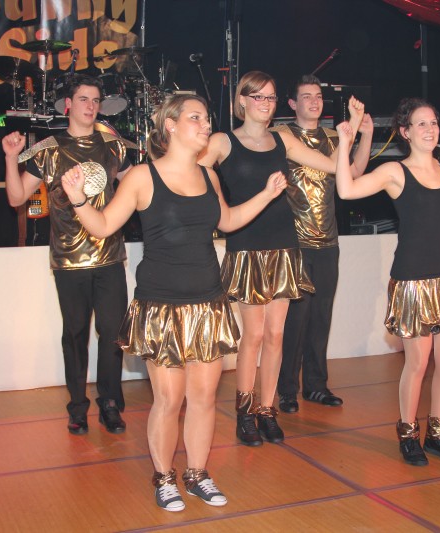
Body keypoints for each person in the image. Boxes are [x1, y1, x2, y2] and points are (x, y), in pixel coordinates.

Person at [59, 94, 288, 511]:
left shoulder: (209, 176)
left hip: (208, 303)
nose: (205, 125)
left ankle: (197, 474)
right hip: (160, 308)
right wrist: (77, 200)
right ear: (170, 125)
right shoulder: (142, 177)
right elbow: (104, 225)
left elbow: (228, 221)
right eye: (195, 118)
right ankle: (164, 477)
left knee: (204, 398)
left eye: (207, 118)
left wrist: (267, 195)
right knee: (169, 400)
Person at [334, 97, 440, 466]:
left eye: (434, 123)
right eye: (422, 124)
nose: (431, 129)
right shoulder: (395, 172)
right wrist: (345, 143)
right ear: (406, 132)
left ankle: (439, 433)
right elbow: (346, 191)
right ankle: (408, 433)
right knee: (417, 364)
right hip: (413, 280)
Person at [199, 71, 366, 447]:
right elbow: (193, 169)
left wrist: (351, 129)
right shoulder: (223, 141)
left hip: (285, 246)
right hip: (247, 246)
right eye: (258, 96)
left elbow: (331, 165)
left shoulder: (283, 140)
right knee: (254, 335)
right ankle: (245, 413)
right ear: (242, 100)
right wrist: (216, 201)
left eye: (271, 97)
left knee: (276, 334)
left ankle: (267, 409)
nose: (265, 103)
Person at [2, 74, 131, 436]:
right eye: (84, 99)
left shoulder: (113, 146)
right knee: (74, 334)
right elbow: (16, 197)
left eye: (96, 100)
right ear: (69, 105)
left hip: (109, 256)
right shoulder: (48, 149)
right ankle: (77, 407)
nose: (91, 106)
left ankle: (110, 404)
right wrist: (11, 158)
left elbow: (137, 187)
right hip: (69, 260)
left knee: (113, 333)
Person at [273, 74, 374, 414]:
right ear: (292, 103)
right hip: (295, 243)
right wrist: (352, 128)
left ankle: (316, 386)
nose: (314, 101)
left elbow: (355, 172)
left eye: (318, 96)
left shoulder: (334, 137)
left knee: (321, 318)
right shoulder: (283, 136)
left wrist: (365, 135)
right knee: (295, 320)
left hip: (328, 242)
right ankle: (286, 389)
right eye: (306, 96)